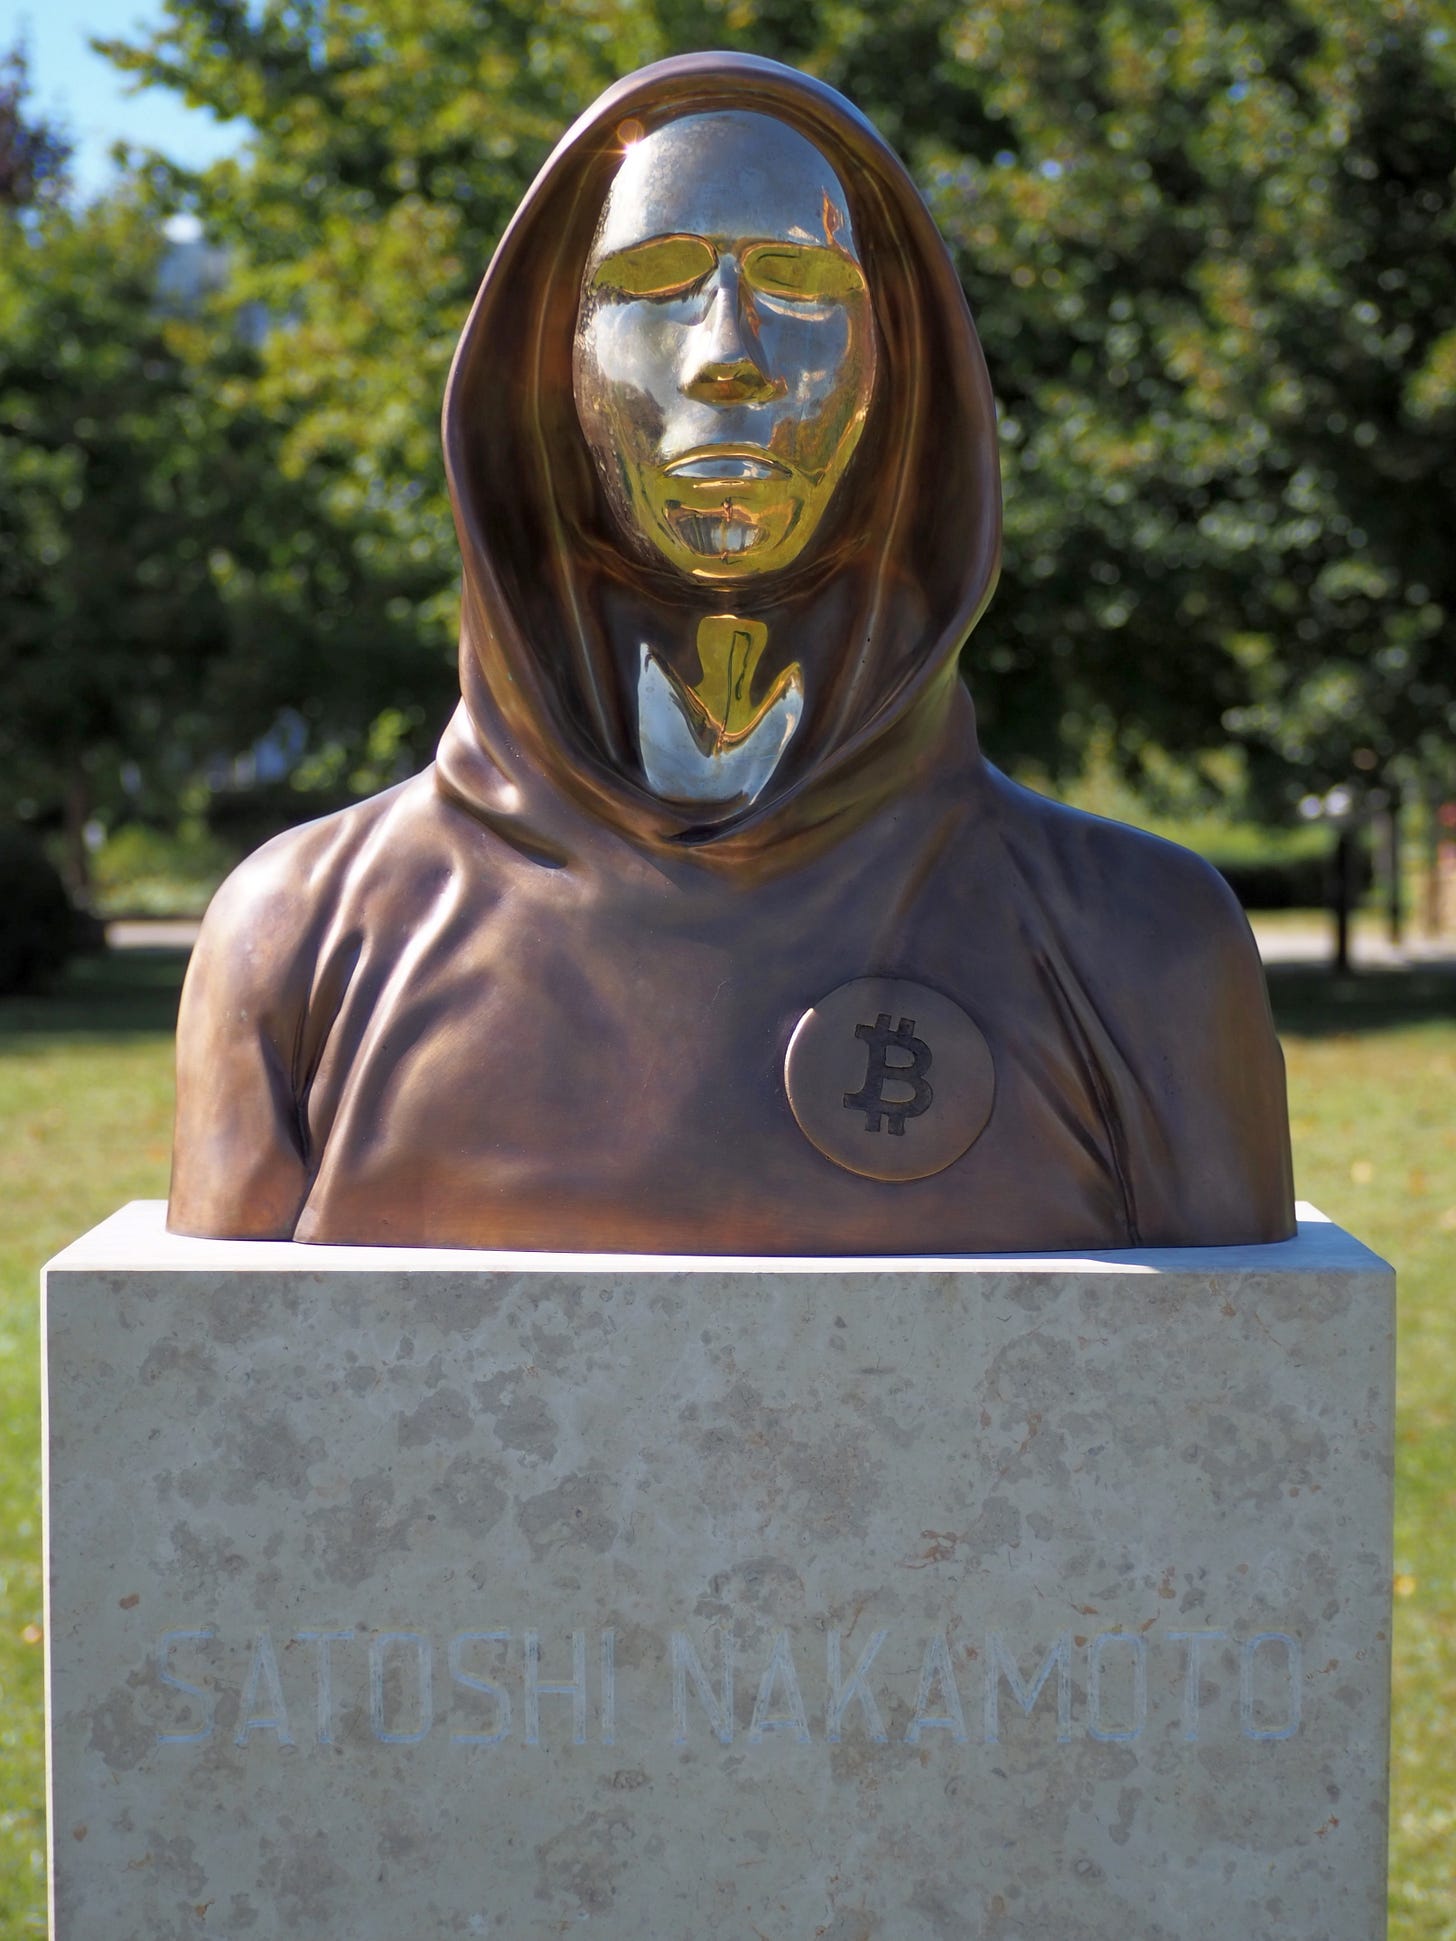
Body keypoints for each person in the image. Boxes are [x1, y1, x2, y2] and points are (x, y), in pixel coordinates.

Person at [168, 52, 1294, 1253]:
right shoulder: (305, 941)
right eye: (653, 284)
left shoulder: (1138, 945)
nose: (729, 353)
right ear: (547, 370)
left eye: (802, 285)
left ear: (901, 380)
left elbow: (1241, 1399)